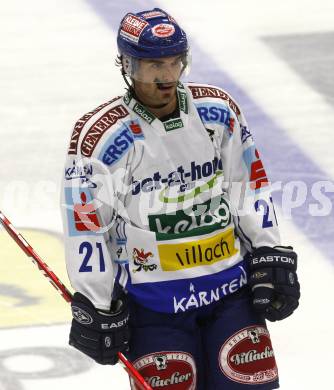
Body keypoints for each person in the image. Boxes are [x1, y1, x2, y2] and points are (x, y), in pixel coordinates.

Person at [61, 8, 300, 390]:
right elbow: (87, 227)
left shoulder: (218, 111)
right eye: (155, 64)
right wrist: (97, 301)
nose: (168, 76)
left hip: (231, 295)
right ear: (128, 64)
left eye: (176, 62)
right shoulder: (101, 136)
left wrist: (269, 251)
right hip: (153, 307)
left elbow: (248, 185)